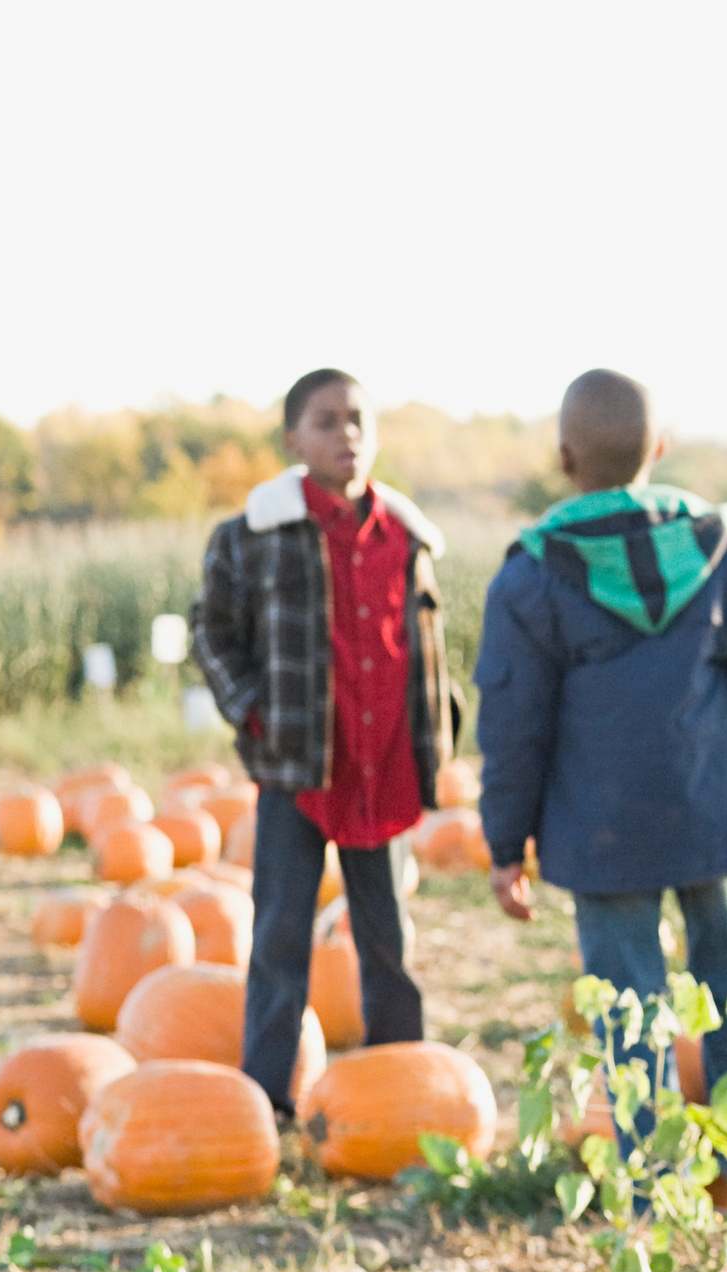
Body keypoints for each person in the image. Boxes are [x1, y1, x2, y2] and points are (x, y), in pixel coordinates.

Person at [472, 370, 727, 1191]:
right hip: (715, 816)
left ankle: (653, 1179)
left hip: (599, 836)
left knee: (629, 1000)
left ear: (564, 458)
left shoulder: (531, 578)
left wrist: (506, 845)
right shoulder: (724, 556)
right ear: (661, 449)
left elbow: (512, 726)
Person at [190, 369, 452, 1117]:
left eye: (360, 420)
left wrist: (444, 727)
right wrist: (254, 711)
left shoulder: (405, 536)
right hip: (298, 769)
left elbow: (424, 646)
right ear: (293, 440)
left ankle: (400, 1095)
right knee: (279, 939)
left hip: (384, 768)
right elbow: (213, 631)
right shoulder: (253, 537)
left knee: (388, 941)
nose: (348, 435)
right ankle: (265, 1104)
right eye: (328, 421)